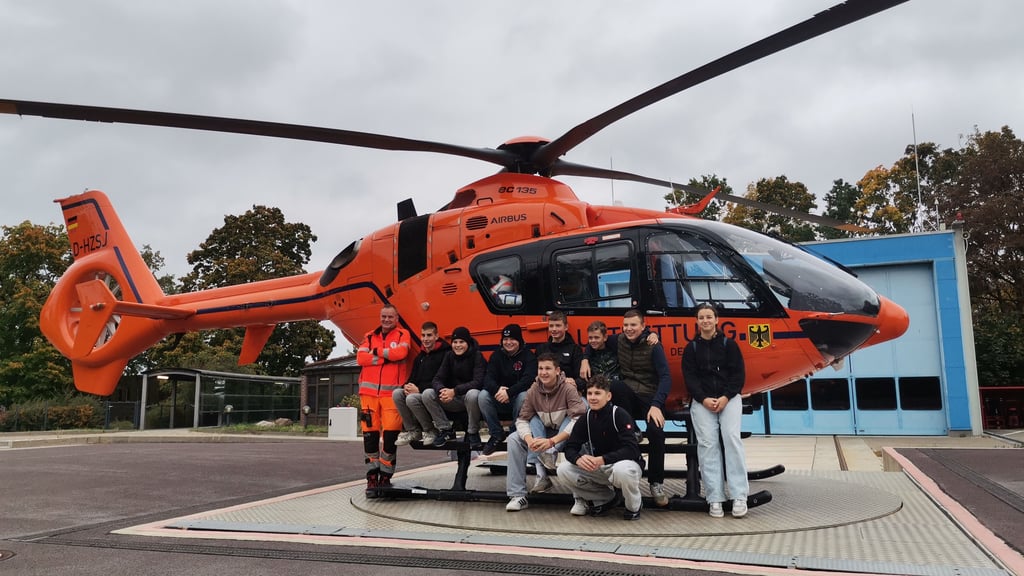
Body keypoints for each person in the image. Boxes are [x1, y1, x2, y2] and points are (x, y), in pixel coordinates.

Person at [682, 302, 749, 518]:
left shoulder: (729, 345)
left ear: (716, 320)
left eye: (709, 317)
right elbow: (690, 378)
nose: (705, 321)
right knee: (708, 444)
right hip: (702, 402)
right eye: (701, 317)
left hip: (728, 398)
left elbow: (738, 375)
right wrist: (703, 399)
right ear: (697, 321)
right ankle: (715, 498)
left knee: (731, 438)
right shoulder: (691, 349)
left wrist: (725, 397)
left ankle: (739, 495)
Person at [504, 352, 586, 511]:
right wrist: (529, 440)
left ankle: (581, 498)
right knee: (514, 439)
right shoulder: (534, 389)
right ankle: (518, 496)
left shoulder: (568, 388)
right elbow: (522, 419)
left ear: (557, 370)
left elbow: (578, 420)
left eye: (548, 368)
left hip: (564, 434)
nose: (543, 372)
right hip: (542, 433)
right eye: (540, 368)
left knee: (580, 439)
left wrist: (553, 442)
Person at [558, 375, 645, 520]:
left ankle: (633, 506)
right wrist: (578, 459)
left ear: (608, 396)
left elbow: (632, 450)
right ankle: (607, 498)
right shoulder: (585, 418)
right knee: (564, 469)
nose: (592, 397)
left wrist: (603, 459)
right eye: (590, 393)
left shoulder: (620, 415)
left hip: (626, 465)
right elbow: (570, 448)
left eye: (598, 393)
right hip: (600, 467)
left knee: (622, 470)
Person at [609, 309, 673, 507]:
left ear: (643, 326)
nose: (629, 329)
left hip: (649, 396)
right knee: (615, 385)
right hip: (628, 396)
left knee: (656, 432)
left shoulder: (653, 345)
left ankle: (656, 483)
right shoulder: (617, 340)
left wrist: (656, 405)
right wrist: (585, 357)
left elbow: (665, 377)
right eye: (626, 325)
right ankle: (633, 432)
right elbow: (596, 341)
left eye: (633, 325)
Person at [356, 304, 412, 496]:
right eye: (384, 316)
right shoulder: (369, 335)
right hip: (368, 395)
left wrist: (376, 352)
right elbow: (360, 358)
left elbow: (401, 354)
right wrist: (387, 357)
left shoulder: (403, 335)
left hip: (391, 395)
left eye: (390, 317)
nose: (386, 320)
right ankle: (372, 478)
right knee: (369, 438)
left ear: (396, 318)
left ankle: (386, 477)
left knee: (390, 439)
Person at [478, 323, 537, 456]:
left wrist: (509, 393)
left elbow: (528, 380)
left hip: (517, 400)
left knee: (524, 395)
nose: (508, 342)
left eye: (512, 339)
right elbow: (487, 378)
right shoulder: (496, 355)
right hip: (499, 397)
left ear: (519, 340)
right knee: (482, 396)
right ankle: (496, 433)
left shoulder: (529, 356)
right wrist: (498, 390)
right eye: (505, 339)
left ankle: (515, 432)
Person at [423, 326, 486, 448]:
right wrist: (442, 391)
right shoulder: (449, 356)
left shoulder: (477, 356)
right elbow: (437, 379)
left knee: (473, 393)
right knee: (427, 393)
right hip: (452, 399)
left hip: (471, 402)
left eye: (461, 342)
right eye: (455, 342)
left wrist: (454, 391)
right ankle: (446, 429)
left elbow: (478, 382)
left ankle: (473, 432)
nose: (458, 345)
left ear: (468, 342)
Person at [394, 321, 450, 446]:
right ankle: (413, 430)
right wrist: (407, 386)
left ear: (436, 336)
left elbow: (443, 380)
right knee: (397, 393)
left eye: (429, 335)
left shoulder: (446, 354)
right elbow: (412, 378)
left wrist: (418, 389)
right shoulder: (420, 357)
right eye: (423, 335)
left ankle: (430, 430)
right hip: (421, 392)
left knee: (412, 398)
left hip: (434, 394)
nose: (425, 339)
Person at [579, 321, 659, 383]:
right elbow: (590, 346)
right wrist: (585, 359)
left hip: (618, 385)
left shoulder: (615, 341)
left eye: (596, 337)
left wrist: (652, 334)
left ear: (605, 337)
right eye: (590, 338)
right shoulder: (589, 352)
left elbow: (635, 333)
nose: (593, 341)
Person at [535, 311, 583, 393]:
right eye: (551, 326)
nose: (554, 329)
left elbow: (582, 380)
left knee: (584, 405)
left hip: (567, 392)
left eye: (558, 325)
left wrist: (574, 382)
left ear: (566, 327)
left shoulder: (575, 349)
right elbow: (534, 375)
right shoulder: (541, 349)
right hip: (544, 393)